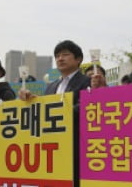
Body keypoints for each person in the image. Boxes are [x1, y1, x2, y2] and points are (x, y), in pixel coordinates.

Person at [19, 40, 90, 187]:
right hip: (53, 149)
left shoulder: (87, 82)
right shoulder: (51, 86)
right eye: (57, 56)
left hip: (76, 147)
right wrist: (31, 101)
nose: (60, 59)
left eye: (65, 54)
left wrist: (54, 112)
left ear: (78, 59)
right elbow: (44, 112)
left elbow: (85, 108)